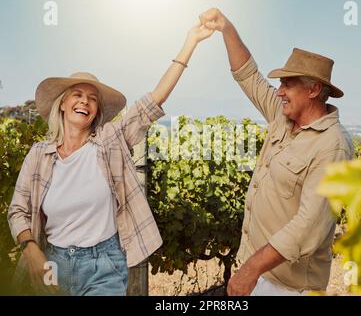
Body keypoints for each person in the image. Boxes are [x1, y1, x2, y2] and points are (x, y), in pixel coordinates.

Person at [7, 23, 214, 296]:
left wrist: (191, 42)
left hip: (103, 266)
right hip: (53, 266)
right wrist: (30, 248)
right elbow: (17, 211)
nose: (85, 102)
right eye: (77, 95)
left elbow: (153, 101)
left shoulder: (109, 140)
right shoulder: (39, 154)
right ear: (63, 104)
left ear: (96, 111)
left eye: (92, 99)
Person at [199, 8, 354, 296]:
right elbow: (249, 76)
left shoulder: (333, 145)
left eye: (287, 84)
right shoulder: (283, 117)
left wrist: (251, 269)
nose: (279, 91)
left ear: (313, 90)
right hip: (258, 276)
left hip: (289, 289)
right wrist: (226, 28)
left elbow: (309, 226)